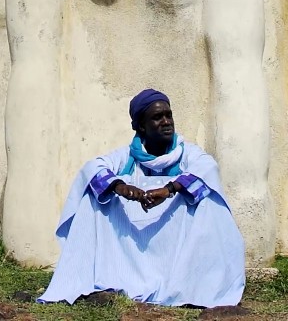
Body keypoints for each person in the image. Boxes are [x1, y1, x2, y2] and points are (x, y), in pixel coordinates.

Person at [39, 89, 246, 308]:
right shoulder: (126, 157)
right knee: (94, 196)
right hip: (130, 243)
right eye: (157, 117)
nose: (166, 122)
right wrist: (120, 187)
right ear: (141, 126)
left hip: (176, 242)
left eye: (169, 115)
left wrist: (169, 189)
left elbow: (208, 168)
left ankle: (197, 284)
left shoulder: (186, 153)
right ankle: (107, 276)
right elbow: (93, 167)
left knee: (209, 201)